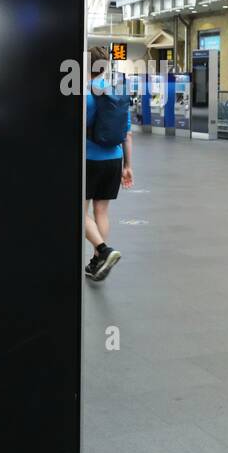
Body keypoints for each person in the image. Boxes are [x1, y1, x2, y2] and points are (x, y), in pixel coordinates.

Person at [85, 46, 132, 280]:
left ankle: (103, 251)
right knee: (101, 211)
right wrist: (128, 166)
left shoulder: (83, 95)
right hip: (114, 160)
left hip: (88, 160)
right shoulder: (114, 95)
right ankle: (96, 262)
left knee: (78, 213)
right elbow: (127, 134)